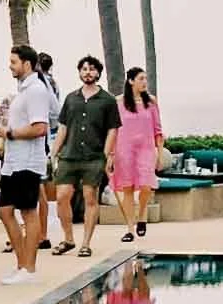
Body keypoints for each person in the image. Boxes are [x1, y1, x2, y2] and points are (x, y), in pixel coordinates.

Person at [49, 55, 121, 257]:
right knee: (62, 196)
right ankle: (68, 238)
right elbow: (63, 127)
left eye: (91, 69)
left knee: (91, 198)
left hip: (94, 157)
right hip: (69, 155)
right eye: (84, 69)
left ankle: (86, 244)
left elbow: (113, 130)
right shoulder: (71, 98)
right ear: (79, 72)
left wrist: (106, 156)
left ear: (98, 73)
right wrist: (54, 152)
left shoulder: (107, 100)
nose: (87, 72)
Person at [0, 44, 52, 282]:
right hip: (13, 161)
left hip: (28, 162)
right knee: (4, 210)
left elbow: (40, 128)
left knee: (29, 213)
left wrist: (9, 133)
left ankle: (29, 269)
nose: (10, 66)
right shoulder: (23, 90)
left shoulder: (36, 90)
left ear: (26, 64)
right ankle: (22, 265)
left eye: (13, 62)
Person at [111, 65, 163, 244]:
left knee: (146, 186)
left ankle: (142, 215)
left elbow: (158, 129)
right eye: (141, 79)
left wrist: (160, 153)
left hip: (146, 149)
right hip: (124, 150)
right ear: (131, 81)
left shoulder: (151, 102)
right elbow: (114, 129)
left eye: (146, 79)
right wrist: (110, 153)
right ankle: (130, 229)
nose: (145, 82)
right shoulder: (118, 102)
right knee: (127, 188)